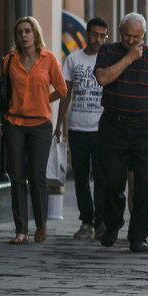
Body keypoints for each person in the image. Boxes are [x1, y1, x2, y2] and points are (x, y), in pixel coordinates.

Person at [95, 12, 148, 253]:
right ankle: (114, 223)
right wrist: (128, 58)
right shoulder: (107, 52)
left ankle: (139, 235)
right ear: (119, 31)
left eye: (136, 36)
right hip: (113, 125)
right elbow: (103, 79)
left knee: (146, 183)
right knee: (111, 180)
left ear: (143, 35)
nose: (132, 40)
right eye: (127, 35)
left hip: (145, 128)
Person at [0, 16, 66, 245]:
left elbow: (63, 90)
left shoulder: (49, 59)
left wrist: (44, 99)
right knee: (16, 177)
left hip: (40, 126)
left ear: (36, 34)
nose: (23, 35)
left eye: (27, 31)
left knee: (37, 176)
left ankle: (41, 224)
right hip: (13, 124)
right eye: (20, 32)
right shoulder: (9, 60)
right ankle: (21, 230)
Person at [57, 16, 109, 240]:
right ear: (87, 35)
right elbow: (65, 93)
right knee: (80, 178)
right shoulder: (73, 59)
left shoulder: (109, 60)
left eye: (102, 35)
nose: (98, 39)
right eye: (94, 34)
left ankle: (101, 222)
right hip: (78, 128)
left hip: (102, 129)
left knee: (101, 177)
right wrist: (59, 124)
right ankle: (86, 221)